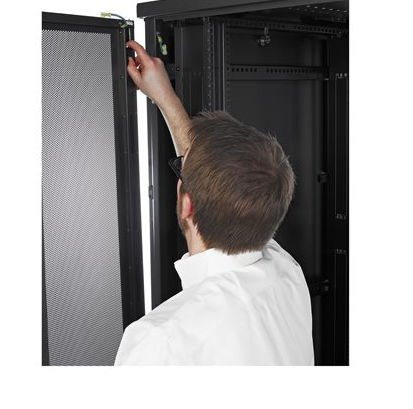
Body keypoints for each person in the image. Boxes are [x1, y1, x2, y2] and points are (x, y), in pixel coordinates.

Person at [114, 41, 314, 365]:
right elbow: (222, 182)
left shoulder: (159, 343)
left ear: (187, 205)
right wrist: (165, 97)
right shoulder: (286, 273)